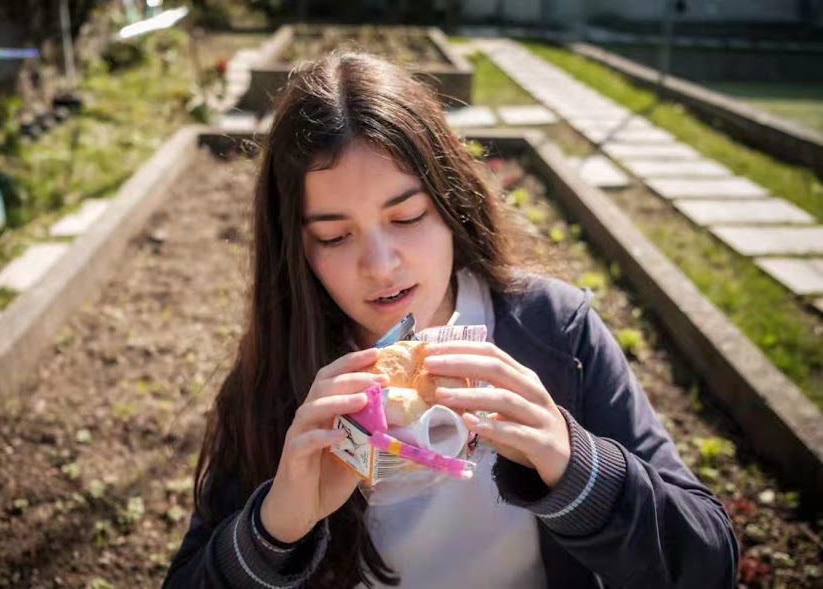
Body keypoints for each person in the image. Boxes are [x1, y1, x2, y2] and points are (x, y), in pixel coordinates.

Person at [162, 51, 739, 588]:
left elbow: (709, 563)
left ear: (451, 202)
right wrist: (272, 529)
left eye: (407, 216)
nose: (380, 266)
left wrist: (572, 464)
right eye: (335, 235)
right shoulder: (282, 379)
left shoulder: (553, 331)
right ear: (298, 250)